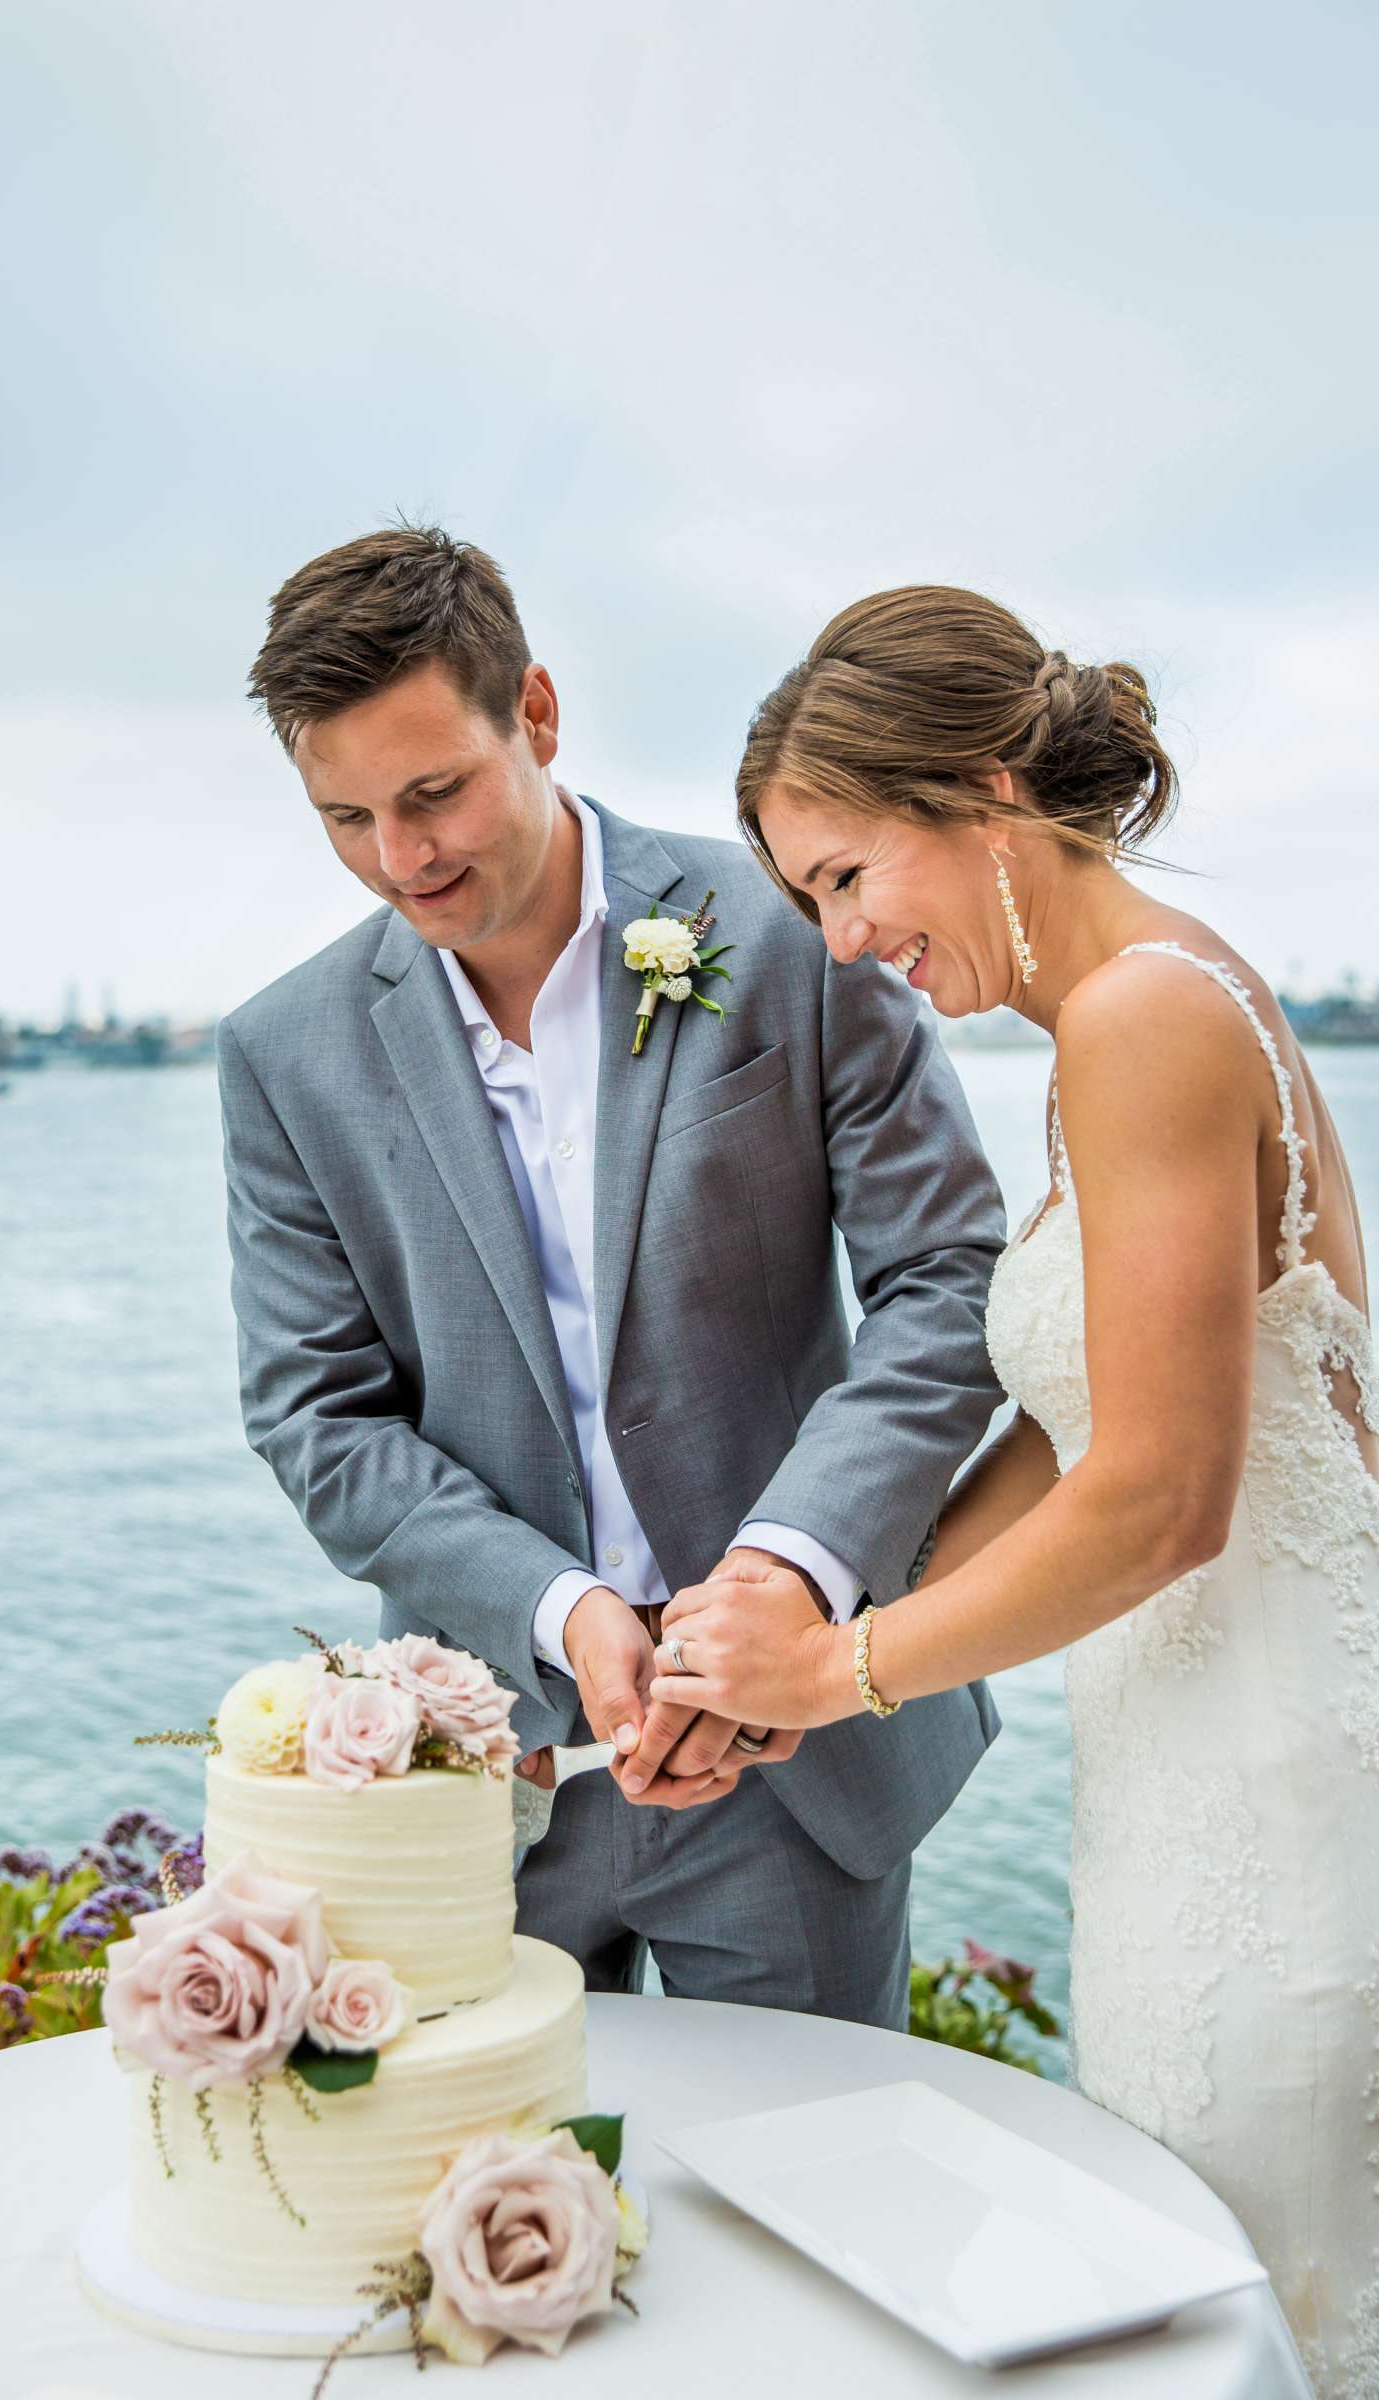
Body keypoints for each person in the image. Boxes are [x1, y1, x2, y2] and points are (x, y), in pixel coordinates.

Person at [639, 583, 1379, 2396]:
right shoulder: (1139, 1009)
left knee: (1251, 2316)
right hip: (1211, 1780)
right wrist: (812, 1611)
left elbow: (1163, 1499)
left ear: (983, 791)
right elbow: (1079, 1443)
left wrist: (839, 1682)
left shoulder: (1143, 1018)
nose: (840, 946)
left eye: (845, 879)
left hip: (1270, 1810)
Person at [217, 525, 1007, 2027]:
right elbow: (319, 1418)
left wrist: (789, 1571)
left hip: (793, 1762)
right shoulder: (283, 1056)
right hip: (494, 1781)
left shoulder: (789, 928)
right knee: (500, 2223)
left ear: (540, 715)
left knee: (818, 2202)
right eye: (347, 819)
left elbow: (948, 1282)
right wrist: (562, 1609)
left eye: (435, 791)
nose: (404, 859)